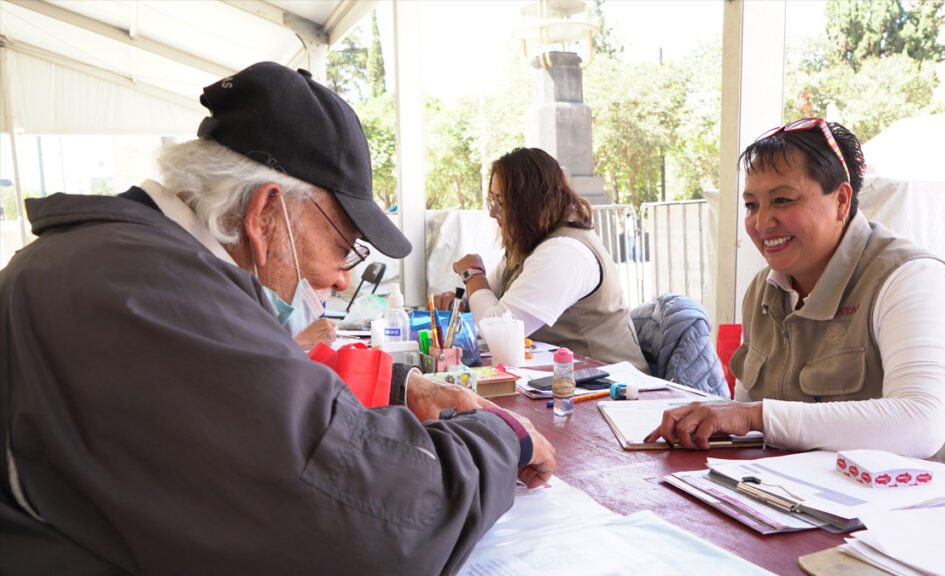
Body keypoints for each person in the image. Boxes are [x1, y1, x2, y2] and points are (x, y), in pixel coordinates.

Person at [0, 62, 555, 574]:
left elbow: (258, 375)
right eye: (346, 245)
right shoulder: (144, 285)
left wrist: (397, 386)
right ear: (267, 212)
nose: (343, 277)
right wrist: (502, 436)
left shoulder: (124, 260)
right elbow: (375, 525)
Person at [647, 117, 945, 468]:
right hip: (802, 493)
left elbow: (920, 424)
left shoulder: (911, 278)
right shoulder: (764, 289)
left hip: (925, 503)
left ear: (841, 200)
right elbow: (748, 421)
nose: (762, 223)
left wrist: (753, 417)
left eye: (782, 200)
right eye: (752, 205)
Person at [441, 147, 648, 372]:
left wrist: (472, 273)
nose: (492, 212)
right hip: (569, 383)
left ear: (529, 203)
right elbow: (491, 300)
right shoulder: (531, 243)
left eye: (501, 202)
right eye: (492, 200)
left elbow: (496, 328)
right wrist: (460, 305)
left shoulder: (564, 251)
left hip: (612, 388)